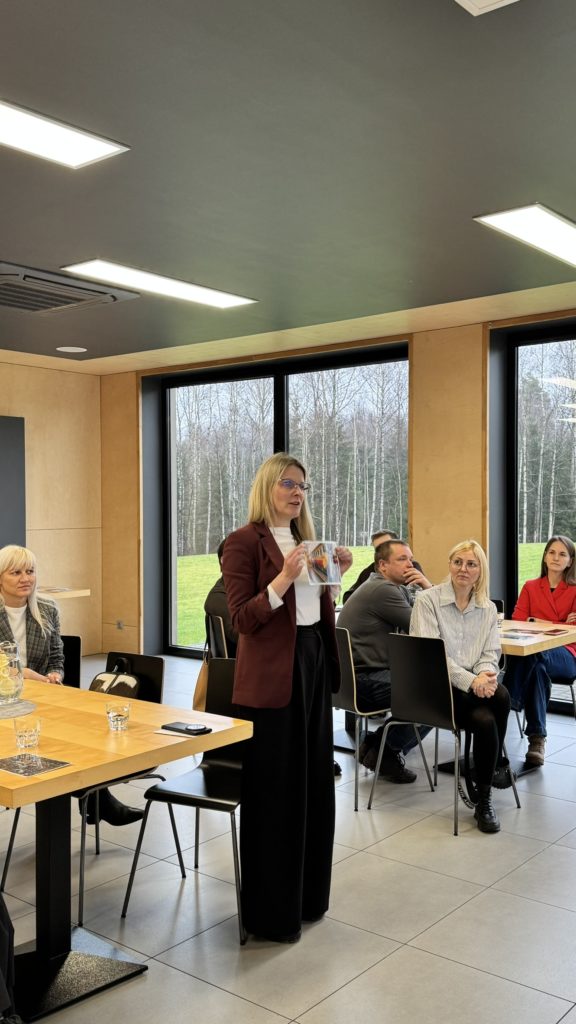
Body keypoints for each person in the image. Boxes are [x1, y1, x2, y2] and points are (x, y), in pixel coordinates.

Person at [222, 452, 352, 943]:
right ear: (268, 487)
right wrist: (282, 578)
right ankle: (272, 915)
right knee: (277, 793)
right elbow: (242, 619)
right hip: (273, 676)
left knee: (314, 785)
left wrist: (335, 576)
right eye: (289, 484)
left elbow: (314, 612)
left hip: (314, 661)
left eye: (303, 486)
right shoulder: (242, 542)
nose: (298, 493)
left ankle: (308, 900)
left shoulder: (306, 541)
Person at [0, 545, 142, 827]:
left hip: (42, 697)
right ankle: (96, 800)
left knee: (80, 736)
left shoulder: (47, 608)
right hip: (5, 700)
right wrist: (23, 674)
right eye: (15, 573)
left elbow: (57, 656)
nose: (25, 578)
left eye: (30, 571)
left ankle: (94, 795)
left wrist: (54, 675)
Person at [409, 539, 510, 833]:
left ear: (480, 571)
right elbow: (434, 657)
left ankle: (484, 797)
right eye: (458, 562)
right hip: (436, 688)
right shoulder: (427, 600)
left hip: (473, 689)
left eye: (471, 564)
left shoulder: (487, 608)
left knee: (487, 715)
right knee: (500, 698)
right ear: (450, 565)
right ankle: (493, 769)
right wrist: (473, 681)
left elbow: (490, 653)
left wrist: (485, 675)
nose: (463, 569)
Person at [338, 538, 433, 782]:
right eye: (402, 559)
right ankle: (384, 749)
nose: (410, 565)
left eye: (411, 559)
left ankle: (377, 745)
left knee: (431, 689)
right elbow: (425, 627)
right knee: (435, 695)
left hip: (351, 680)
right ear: (382, 565)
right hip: (363, 680)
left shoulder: (387, 587)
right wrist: (427, 586)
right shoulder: (383, 590)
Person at [502, 535, 576, 766]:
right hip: (537, 653)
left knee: (532, 654)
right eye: (551, 552)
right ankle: (537, 739)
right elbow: (518, 621)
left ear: (571, 561)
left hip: (567, 653)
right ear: (545, 557)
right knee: (537, 668)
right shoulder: (531, 586)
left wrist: (537, 621)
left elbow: (573, 629)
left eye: (562, 554)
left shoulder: (575, 589)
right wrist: (560, 623)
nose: (556, 558)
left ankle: (509, 700)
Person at [204, 539, 238, 658]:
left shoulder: (244, 591)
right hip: (237, 665)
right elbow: (237, 635)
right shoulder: (218, 596)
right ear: (223, 561)